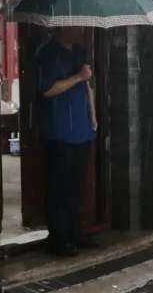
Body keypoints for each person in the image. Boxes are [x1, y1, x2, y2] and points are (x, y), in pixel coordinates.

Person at [37, 27, 97, 257]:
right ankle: (59, 239)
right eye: (77, 26)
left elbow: (87, 86)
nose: (82, 30)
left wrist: (93, 116)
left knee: (77, 186)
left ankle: (76, 233)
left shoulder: (80, 51)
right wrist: (77, 77)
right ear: (65, 26)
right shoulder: (47, 53)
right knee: (59, 187)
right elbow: (47, 90)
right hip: (59, 131)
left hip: (83, 129)